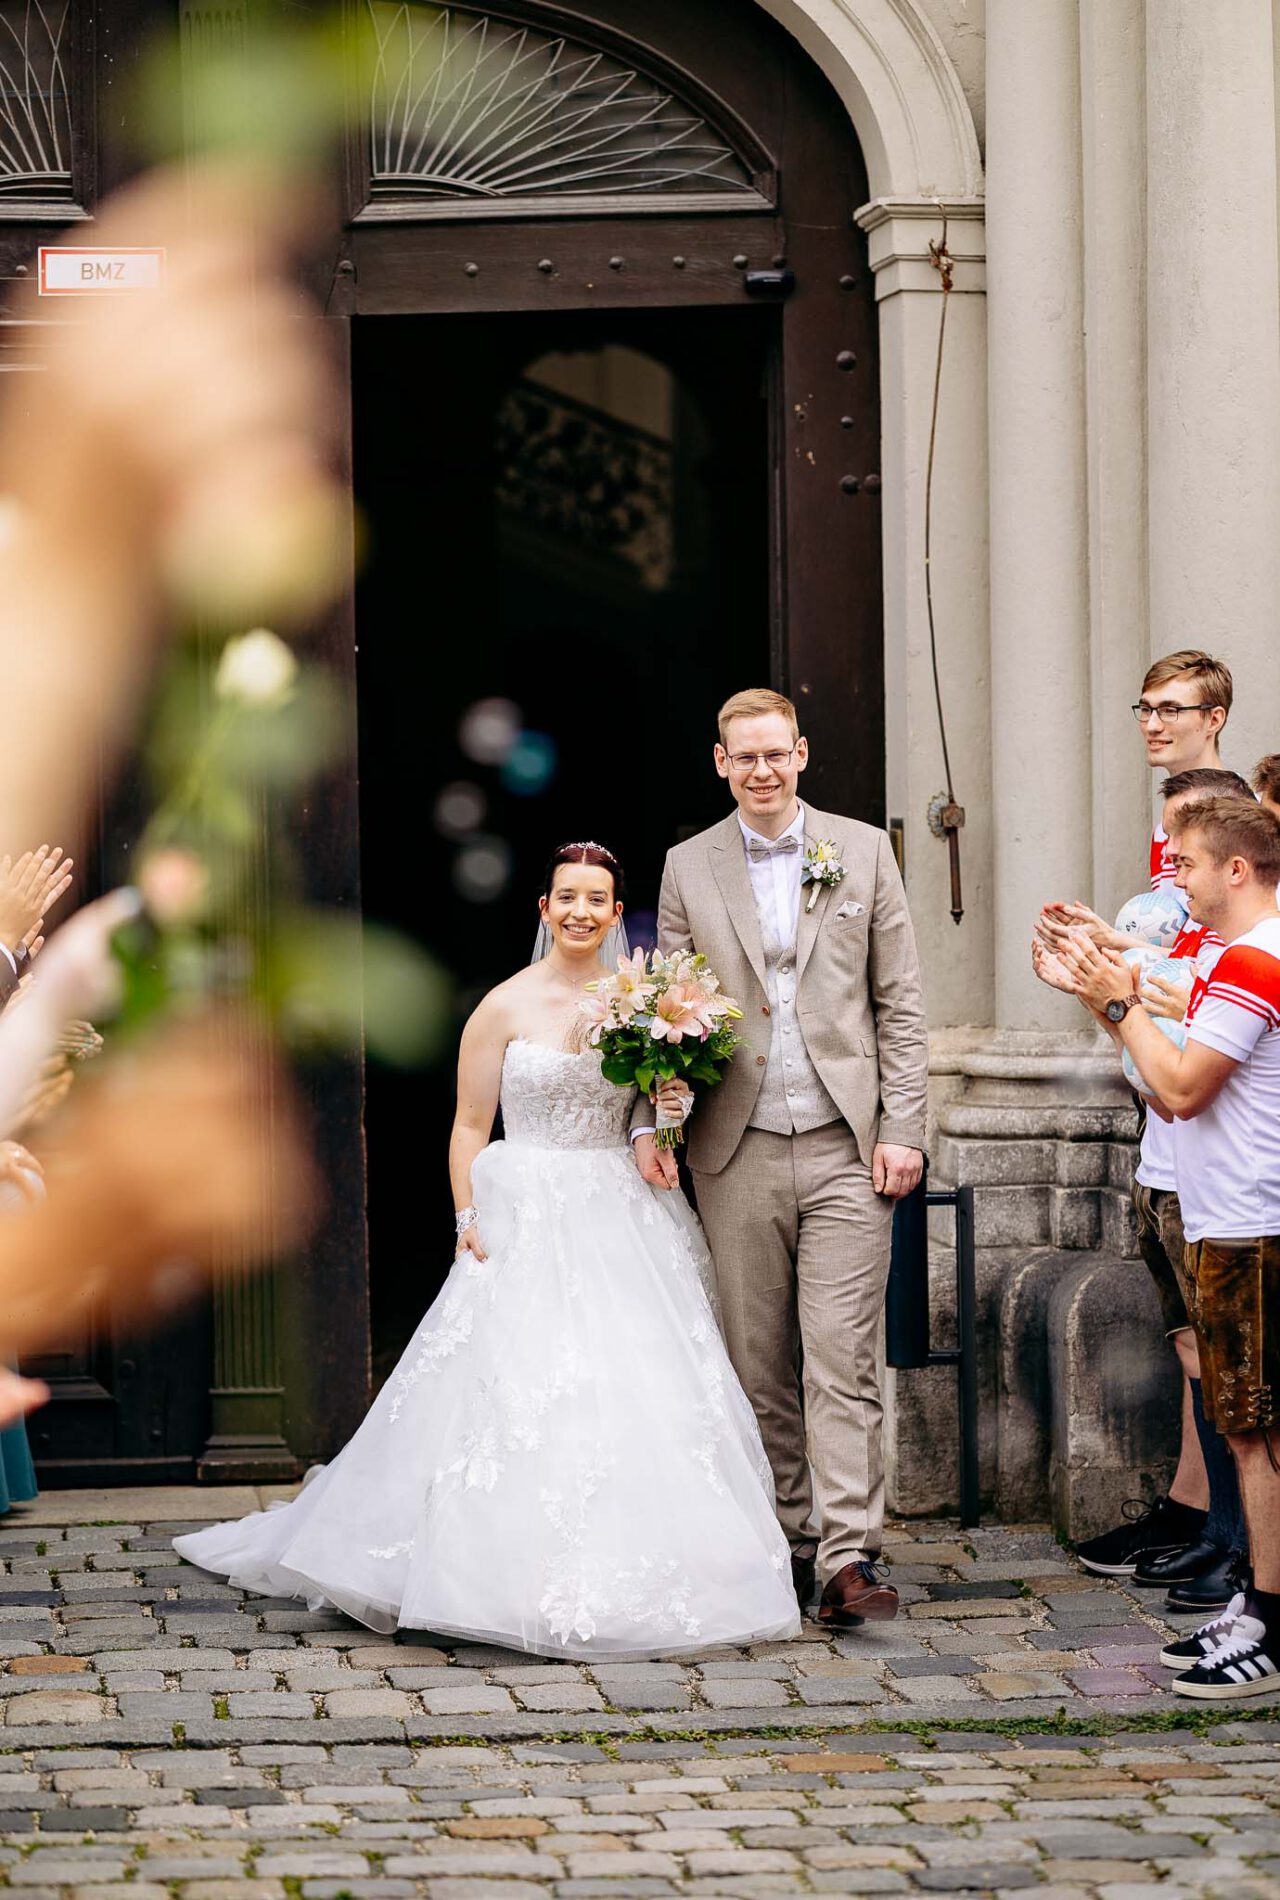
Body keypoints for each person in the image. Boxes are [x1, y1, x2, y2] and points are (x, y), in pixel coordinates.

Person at [172, 842, 801, 1659]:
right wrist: (465, 1218)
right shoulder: (501, 1007)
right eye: (566, 895)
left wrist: (662, 1119)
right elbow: (470, 1126)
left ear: (617, 913)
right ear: (544, 909)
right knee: (507, 1386)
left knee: (630, 1382)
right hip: (525, 1207)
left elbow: (642, 1115)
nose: (581, 910)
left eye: (597, 898)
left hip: (618, 1208)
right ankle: (474, 1571)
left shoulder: (640, 1002)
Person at [633, 688, 927, 1630]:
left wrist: (905, 1128)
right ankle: (788, 1537)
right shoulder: (688, 865)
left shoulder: (865, 850)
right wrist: (658, 1115)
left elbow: (903, 1006)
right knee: (756, 1363)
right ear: (721, 764)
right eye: (743, 758)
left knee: (841, 1359)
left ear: (801, 753)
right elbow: (670, 1013)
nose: (762, 771)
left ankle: (849, 1556)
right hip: (737, 1144)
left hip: (848, 1145)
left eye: (776, 754)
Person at [1060, 798, 1280, 1699]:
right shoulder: (1231, 956)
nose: (1173, 879)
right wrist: (1108, 967)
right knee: (1252, 1433)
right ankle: (1264, 1607)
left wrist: (1109, 1004)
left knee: (1255, 1436)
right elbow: (1165, 987)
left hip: (1248, 1224)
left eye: (1185, 864)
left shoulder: (1257, 960)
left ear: (1236, 869)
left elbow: (1182, 1086)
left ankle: (1269, 1623)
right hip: (1232, 1217)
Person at [1034, 654, 1240, 1586]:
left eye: (1173, 708)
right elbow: (1169, 956)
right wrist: (1109, 945)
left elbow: (1205, 979)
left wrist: (1120, 975)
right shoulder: (1169, 845)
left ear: (1217, 715)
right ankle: (1197, 1512)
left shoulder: (1235, 830)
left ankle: (1231, 1541)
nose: (1152, 721)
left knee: (1228, 1354)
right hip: (1157, 1118)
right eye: (1143, 705)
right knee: (1192, 1344)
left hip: (1214, 1129)